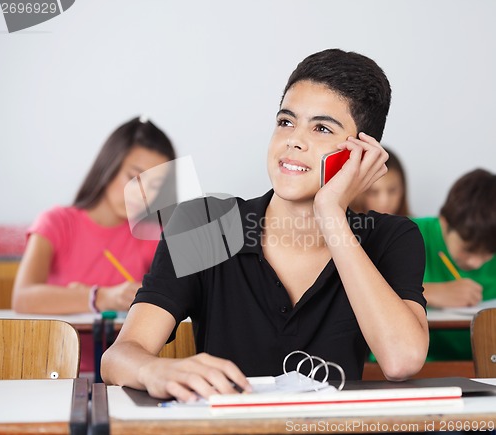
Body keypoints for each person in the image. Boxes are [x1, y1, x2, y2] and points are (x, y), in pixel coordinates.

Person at [101, 49, 429, 402]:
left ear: (363, 153)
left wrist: (332, 213)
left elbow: (401, 360)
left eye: (321, 128)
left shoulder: (391, 237)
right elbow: (118, 357)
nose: (293, 140)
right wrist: (155, 369)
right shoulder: (204, 225)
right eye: (286, 121)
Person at [12, 116, 176, 371]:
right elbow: (23, 298)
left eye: (155, 185)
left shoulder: (154, 235)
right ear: (109, 167)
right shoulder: (56, 222)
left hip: (123, 374)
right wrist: (100, 296)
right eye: (134, 177)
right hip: (53, 369)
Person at [412, 168, 496, 361]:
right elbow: (359, 291)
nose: (475, 262)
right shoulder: (407, 235)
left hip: (481, 366)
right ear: (444, 222)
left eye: (489, 252)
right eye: (468, 249)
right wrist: (430, 292)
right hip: (416, 366)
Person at [350, 146, 411, 216]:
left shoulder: (420, 225)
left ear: (403, 188)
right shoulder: (341, 224)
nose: (384, 201)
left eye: (392, 190)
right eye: (373, 192)